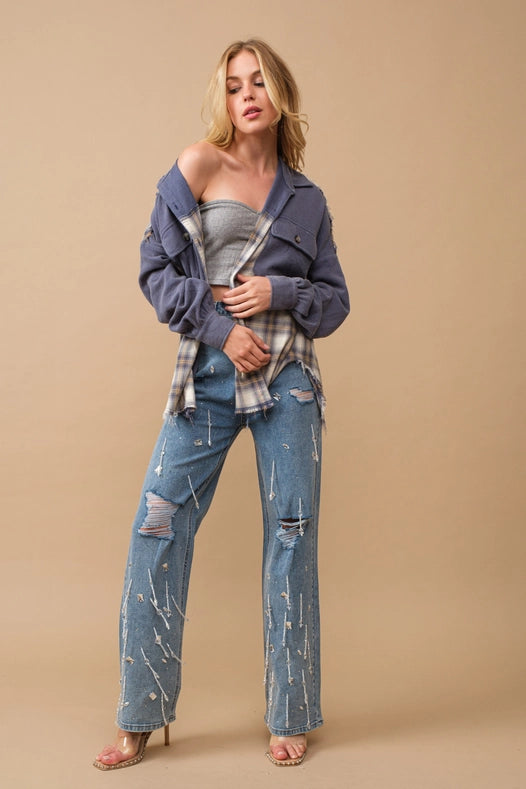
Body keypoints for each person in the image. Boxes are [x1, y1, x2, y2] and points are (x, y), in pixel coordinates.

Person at [94, 37, 349, 770]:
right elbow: (154, 269)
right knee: (157, 525)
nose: (247, 96)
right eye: (234, 85)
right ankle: (140, 714)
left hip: (288, 377)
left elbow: (335, 303)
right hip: (207, 374)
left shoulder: (308, 200)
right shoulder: (198, 165)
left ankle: (290, 713)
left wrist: (279, 290)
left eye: (258, 82)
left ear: (280, 93)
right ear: (224, 99)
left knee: (292, 535)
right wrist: (220, 330)